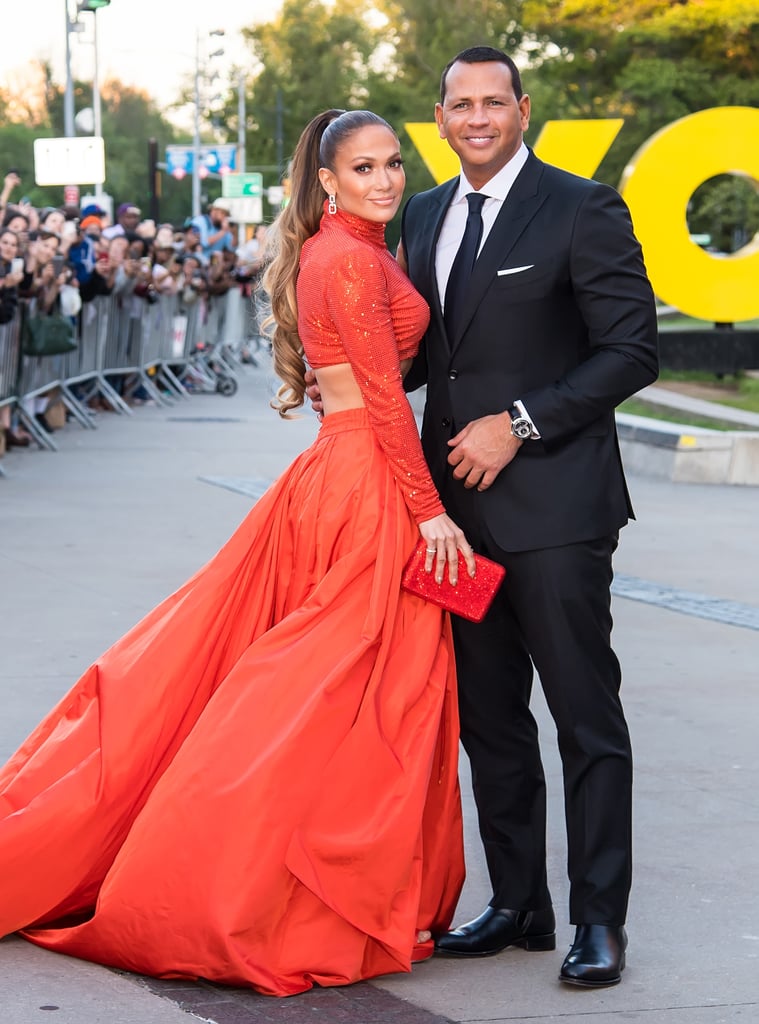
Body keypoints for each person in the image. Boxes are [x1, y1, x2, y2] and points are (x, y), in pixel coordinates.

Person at [0, 109, 474, 997]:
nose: (384, 180)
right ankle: (228, 886)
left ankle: (288, 880)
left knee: (335, 690)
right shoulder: (348, 262)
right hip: (366, 481)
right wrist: (428, 514)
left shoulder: (347, 254)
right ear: (325, 182)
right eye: (362, 169)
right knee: (338, 693)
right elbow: (380, 400)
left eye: (392, 165)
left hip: (337, 474)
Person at [398, 46, 659, 987]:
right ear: (439, 118)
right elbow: (429, 358)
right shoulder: (420, 214)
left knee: (585, 719)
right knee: (489, 722)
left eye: (492, 102)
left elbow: (631, 350)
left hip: (557, 509)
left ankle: (599, 921)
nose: (476, 117)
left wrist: (519, 423)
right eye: (459, 104)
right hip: (451, 523)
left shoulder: (582, 206)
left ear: (523, 109)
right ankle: (518, 905)